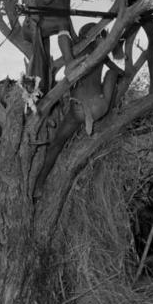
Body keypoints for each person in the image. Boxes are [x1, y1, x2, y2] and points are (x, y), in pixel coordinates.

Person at [35, 22, 119, 189]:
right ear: (98, 37)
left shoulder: (76, 51)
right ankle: (108, 112)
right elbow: (117, 69)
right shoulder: (102, 53)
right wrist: (119, 74)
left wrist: (64, 30)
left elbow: (64, 35)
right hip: (99, 106)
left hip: (78, 109)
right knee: (112, 74)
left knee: (57, 144)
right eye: (102, 35)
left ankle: (39, 184)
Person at [24, 0, 78, 93]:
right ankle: (69, 63)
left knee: (63, 22)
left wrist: (73, 36)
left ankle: (69, 62)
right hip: (35, 25)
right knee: (61, 23)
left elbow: (65, 15)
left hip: (54, 24)